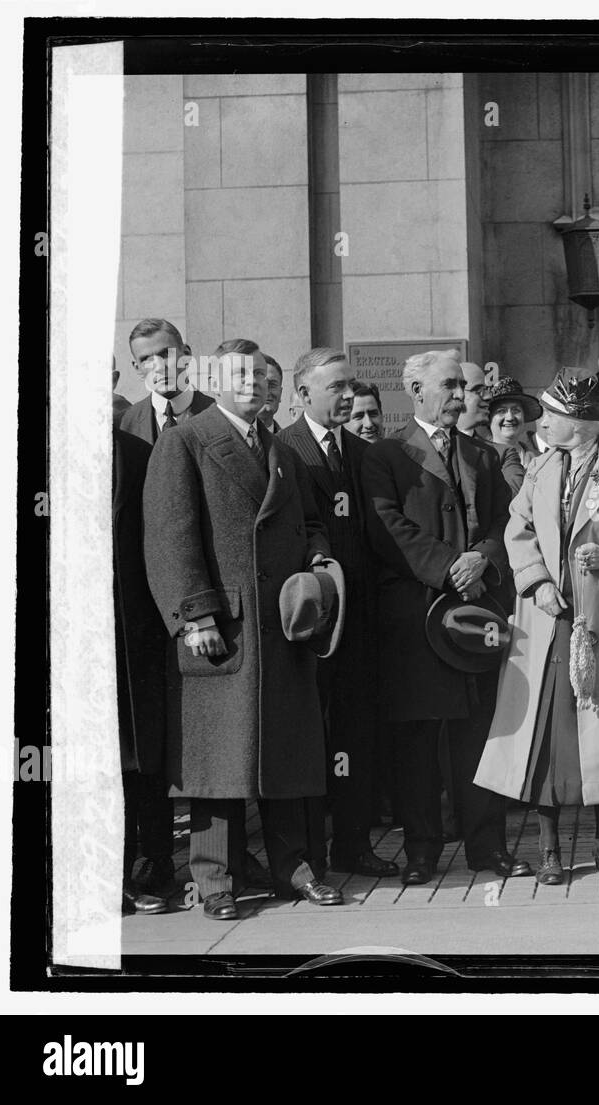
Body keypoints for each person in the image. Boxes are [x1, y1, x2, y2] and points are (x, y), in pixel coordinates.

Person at [142, 338, 342, 919]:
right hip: (222, 628)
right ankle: (215, 882)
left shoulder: (279, 448)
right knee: (217, 764)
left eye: (261, 375)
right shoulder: (186, 440)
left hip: (281, 626)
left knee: (282, 754)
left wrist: (319, 565)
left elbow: (309, 523)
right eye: (240, 374)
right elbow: (168, 537)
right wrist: (193, 615)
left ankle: (293, 870)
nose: (253, 384)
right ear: (216, 378)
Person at [475, 373, 599, 884]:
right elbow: (518, 531)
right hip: (547, 619)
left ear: (580, 425)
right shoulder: (539, 469)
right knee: (549, 734)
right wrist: (535, 582)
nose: (544, 422)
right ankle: (549, 849)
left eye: (553, 415)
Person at [361, 350, 531, 884]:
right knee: (418, 743)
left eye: (463, 386)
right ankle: (422, 851)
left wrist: (481, 559)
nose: (461, 395)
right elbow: (386, 526)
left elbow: (507, 521)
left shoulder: (481, 454)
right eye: (449, 385)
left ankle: (487, 847)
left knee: (478, 736)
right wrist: (448, 569)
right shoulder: (385, 455)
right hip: (417, 619)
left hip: (476, 614)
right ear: (414, 389)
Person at [277, 347, 400, 880]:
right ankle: (311, 855)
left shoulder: (362, 451)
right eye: (337, 387)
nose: (350, 395)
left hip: (362, 623)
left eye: (352, 384)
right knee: (310, 740)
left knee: (356, 734)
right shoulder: (284, 449)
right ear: (303, 395)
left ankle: (353, 843)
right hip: (312, 627)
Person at [114, 428, 171, 915]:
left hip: (139, 634)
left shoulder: (138, 454)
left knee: (144, 757)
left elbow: (160, 539)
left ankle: (152, 867)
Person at [119, 318, 215, 444]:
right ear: (137, 368)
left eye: (165, 354)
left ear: (186, 354)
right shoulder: (126, 422)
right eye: (146, 359)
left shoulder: (219, 415)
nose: (159, 367)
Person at [456, 361, 492, 440]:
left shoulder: (492, 451)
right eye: (479, 390)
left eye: (486, 390)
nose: (488, 397)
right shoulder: (428, 444)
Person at [257, 353, 285, 430]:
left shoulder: (290, 441)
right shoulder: (224, 440)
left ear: (280, 393)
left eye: (272, 385)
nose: (266, 392)